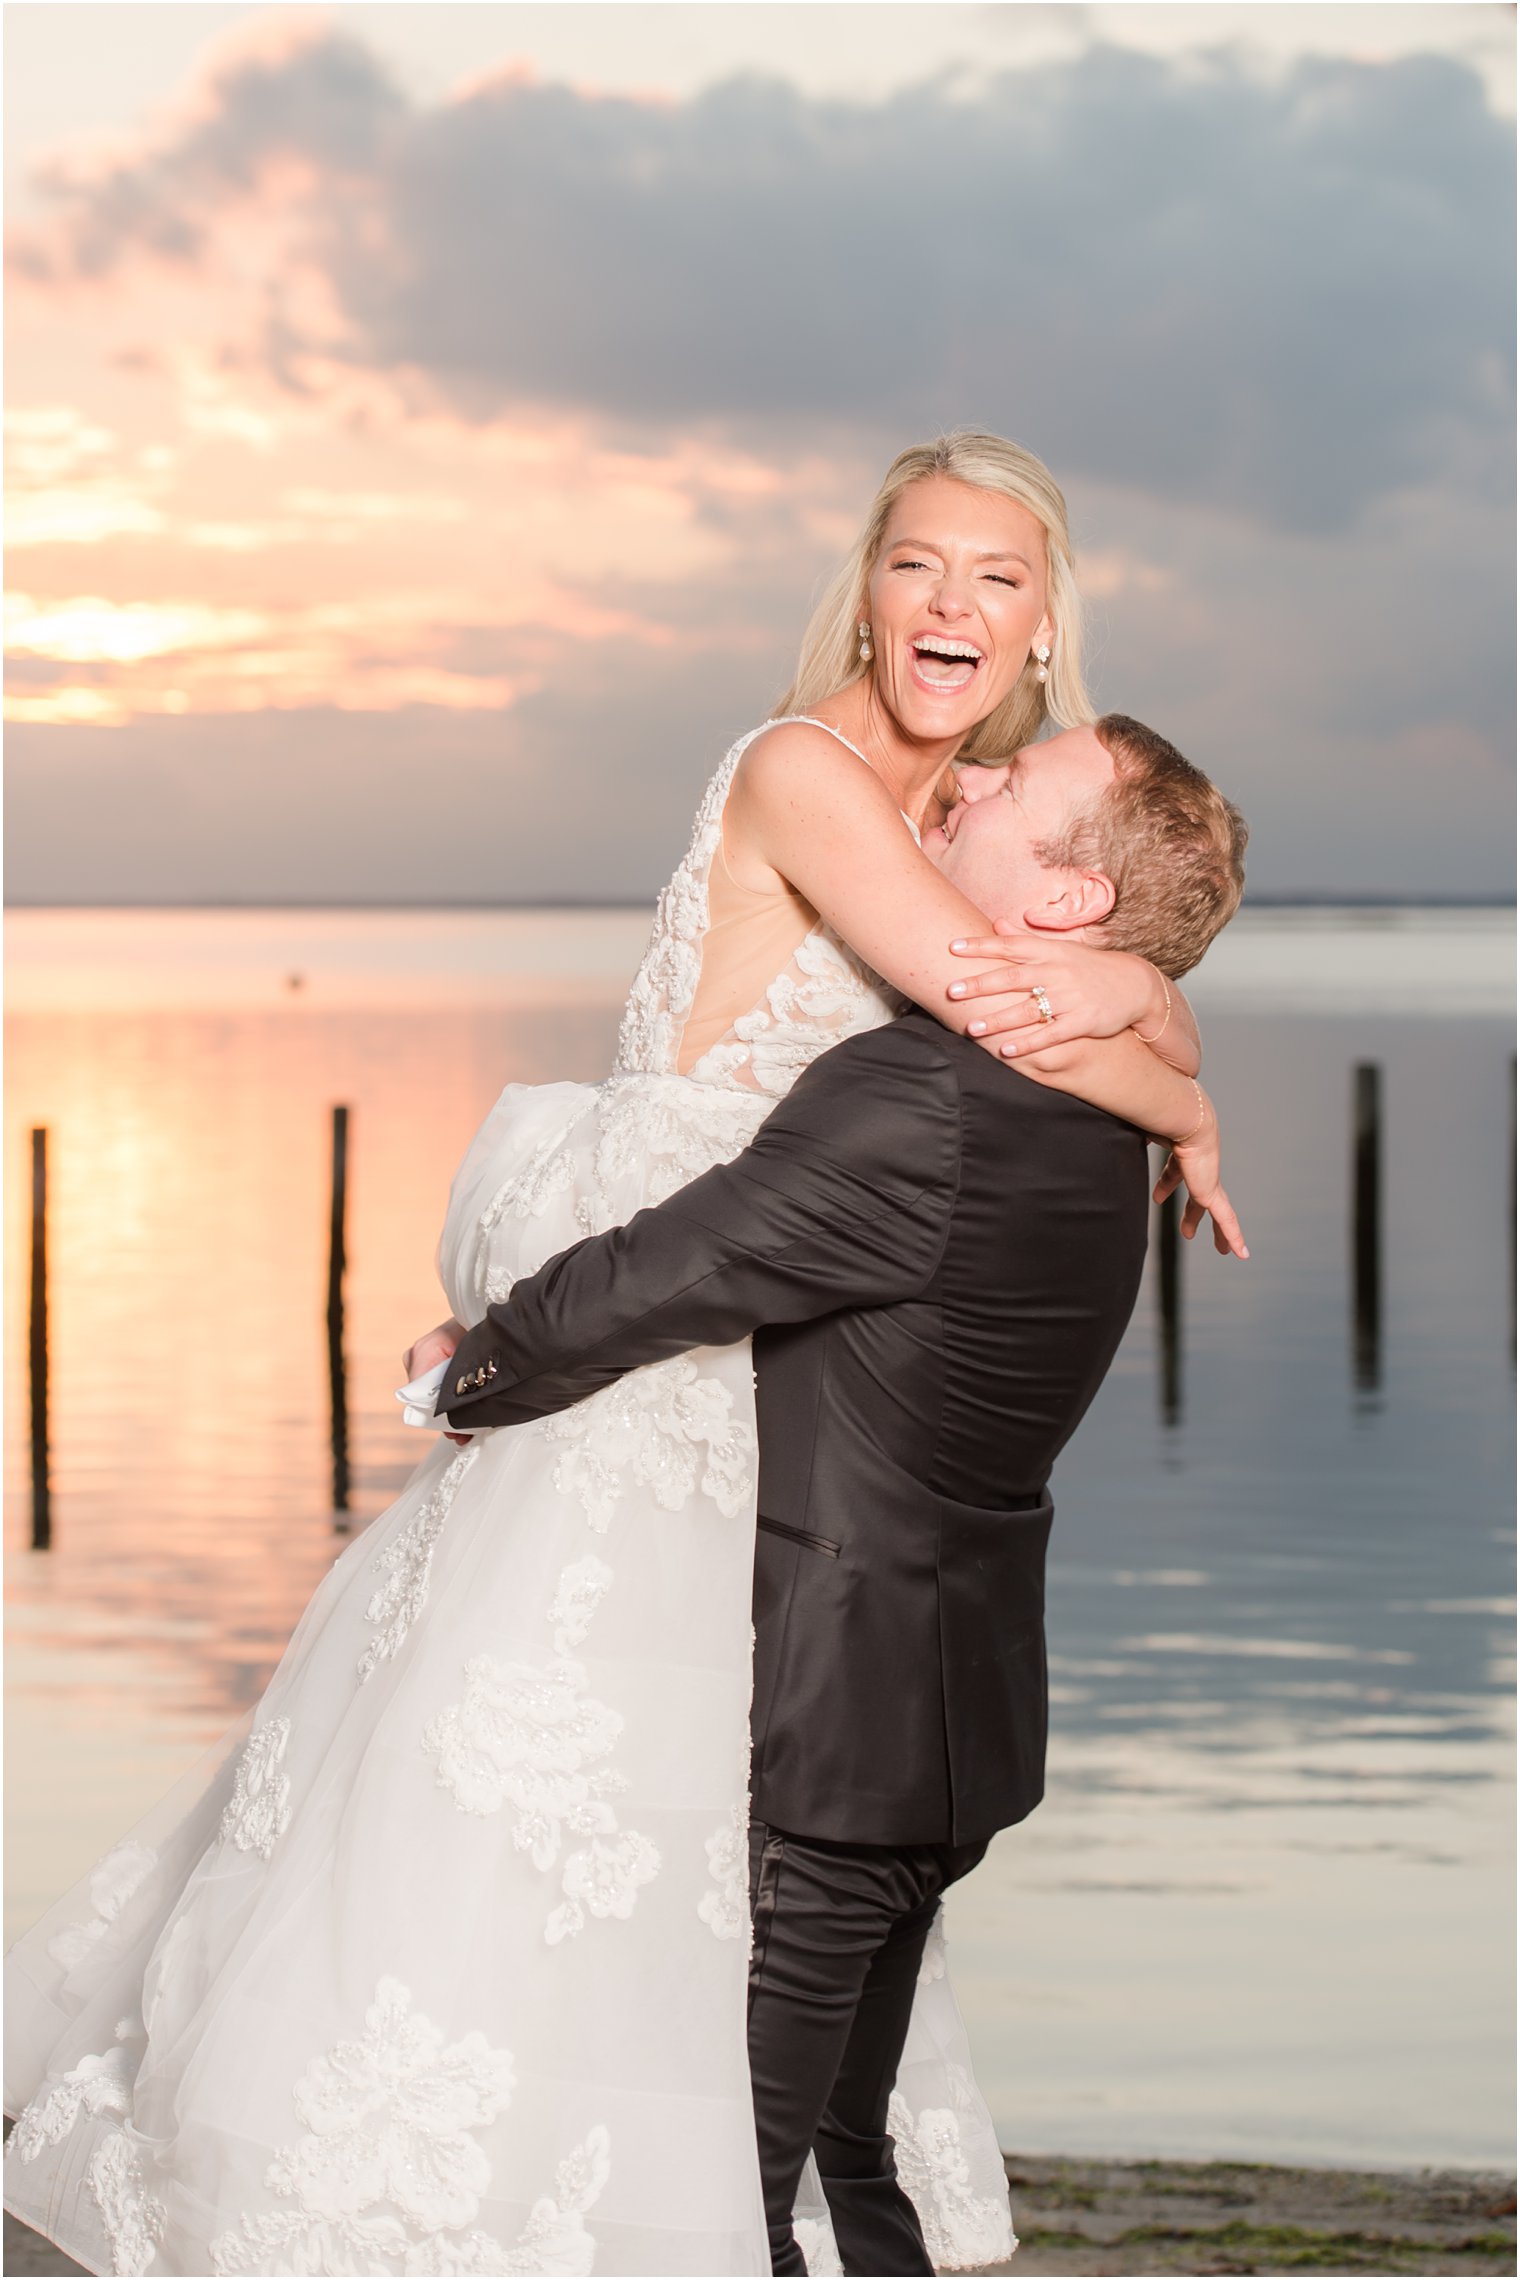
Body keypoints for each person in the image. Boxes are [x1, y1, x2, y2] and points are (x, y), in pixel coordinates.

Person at [4, 432, 1239, 2280]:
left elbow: (1036, 997)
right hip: (672, 1293)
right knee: (537, 1759)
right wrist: (1165, 1051)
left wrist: (1150, 1018)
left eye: (996, 577)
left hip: (759, 1325)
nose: (951, 606)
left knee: (696, 1801)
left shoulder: (969, 816)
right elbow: (1008, 1006)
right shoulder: (805, 772)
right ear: (868, 583)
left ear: (1048, 623)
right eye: (919, 565)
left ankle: (667, 2194)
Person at [429, 712, 1248, 2276]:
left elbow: (671, 1273)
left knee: (736, 2177)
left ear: (1067, 904)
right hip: (962, 1704)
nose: (979, 775)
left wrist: (471, 1374)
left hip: (835, 1710)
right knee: (846, 2160)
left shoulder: (917, 1095)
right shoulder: (1108, 1118)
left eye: (1023, 787)